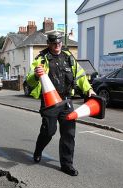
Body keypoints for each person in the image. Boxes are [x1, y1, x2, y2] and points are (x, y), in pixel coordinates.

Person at [26, 31, 96, 176]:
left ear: (61, 43)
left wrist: (89, 90)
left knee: (69, 134)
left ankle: (67, 164)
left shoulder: (69, 57)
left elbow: (81, 76)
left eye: (58, 43)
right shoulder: (41, 59)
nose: (56, 45)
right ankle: (38, 150)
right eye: (53, 43)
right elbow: (30, 81)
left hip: (66, 102)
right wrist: (36, 75)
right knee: (49, 131)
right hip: (49, 103)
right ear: (49, 44)